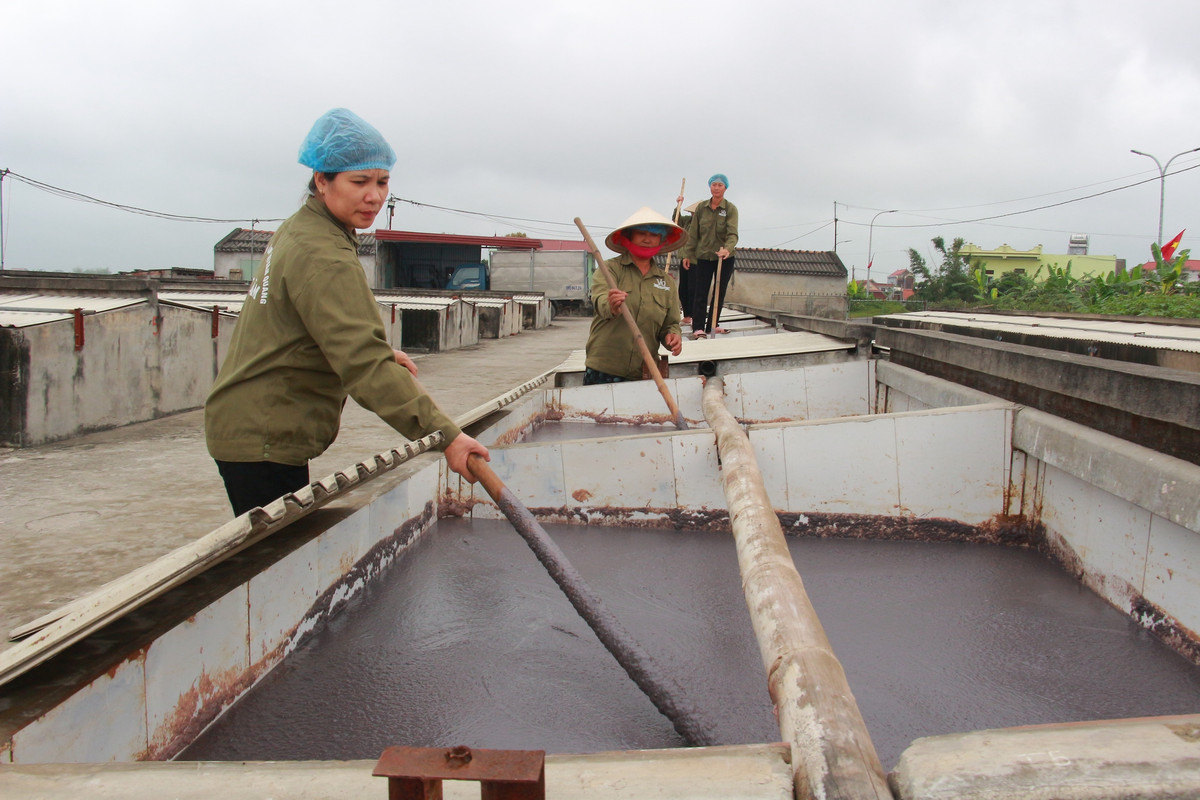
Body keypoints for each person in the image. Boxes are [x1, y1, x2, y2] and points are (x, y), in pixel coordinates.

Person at [205, 108, 489, 516]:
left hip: (251, 422)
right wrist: (448, 436)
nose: (374, 195)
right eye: (359, 182)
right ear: (322, 180)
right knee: (278, 567)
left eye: (382, 181)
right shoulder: (322, 253)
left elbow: (309, 325)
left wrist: (382, 355)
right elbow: (364, 365)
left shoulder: (303, 228)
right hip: (262, 436)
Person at [583, 207, 687, 385]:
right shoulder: (610, 269)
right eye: (641, 233)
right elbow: (600, 300)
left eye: (654, 235)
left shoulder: (666, 282)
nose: (647, 239)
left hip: (644, 371)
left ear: (661, 240)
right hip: (605, 368)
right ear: (629, 236)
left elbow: (670, 323)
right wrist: (612, 305)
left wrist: (673, 336)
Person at [681, 174, 739, 338]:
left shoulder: (730, 209)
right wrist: (688, 254)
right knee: (700, 291)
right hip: (704, 255)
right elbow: (693, 233)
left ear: (725, 188)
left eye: (720, 185)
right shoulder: (701, 208)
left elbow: (733, 233)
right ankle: (698, 327)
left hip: (724, 257)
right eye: (714, 185)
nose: (717, 188)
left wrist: (727, 249)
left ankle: (713, 324)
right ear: (710, 187)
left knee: (719, 292)